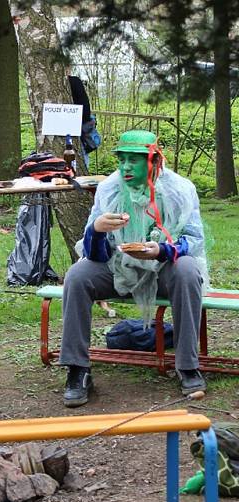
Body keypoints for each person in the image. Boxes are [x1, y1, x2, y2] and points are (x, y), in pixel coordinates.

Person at [60, 130, 208, 408]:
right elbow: (94, 255)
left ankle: (187, 365)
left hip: (163, 270)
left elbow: (194, 239)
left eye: (134, 160)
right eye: (122, 160)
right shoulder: (109, 189)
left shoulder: (180, 190)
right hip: (119, 268)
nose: (126, 167)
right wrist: (97, 230)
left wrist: (161, 250)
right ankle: (77, 370)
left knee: (187, 270)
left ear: (153, 162)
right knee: (78, 275)